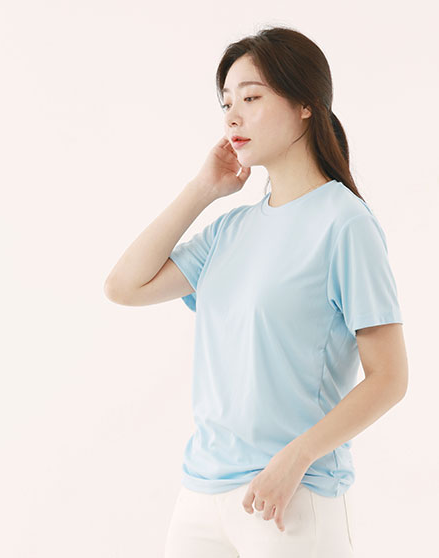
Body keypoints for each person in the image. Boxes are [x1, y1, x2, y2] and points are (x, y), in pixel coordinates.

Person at [104, 25, 409, 558]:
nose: (232, 116)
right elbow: (124, 286)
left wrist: (298, 456)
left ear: (306, 105)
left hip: (291, 498)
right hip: (201, 496)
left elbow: (389, 378)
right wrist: (204, 189)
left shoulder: (345, 223)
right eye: (226, 102)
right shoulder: (231, 229)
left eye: (251, 98)